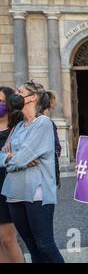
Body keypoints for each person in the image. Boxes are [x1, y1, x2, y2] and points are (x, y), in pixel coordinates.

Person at [0, 80, 64, 263]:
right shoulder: (18, 127)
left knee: (45, 245)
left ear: (32, 97)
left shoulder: (42, 123)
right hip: (14, 194)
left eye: (20, 91)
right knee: (32, 249)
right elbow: (13, 159)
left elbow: (20, 158)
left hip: (37, 193)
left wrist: (11, 158)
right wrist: (14, 159)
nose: (16, 95)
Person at [0, 87, 24, 263]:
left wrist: (7, 156)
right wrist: (7, 156)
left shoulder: (18, 128)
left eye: (1, 101)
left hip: (8, 187)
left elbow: (23, 157)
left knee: (8, 239)